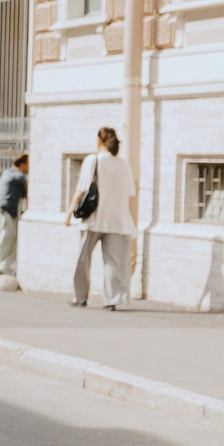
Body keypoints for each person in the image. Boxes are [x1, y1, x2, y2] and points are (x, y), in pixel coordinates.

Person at [70, 126, 137, 310]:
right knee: (114, 263)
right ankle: (112, 299)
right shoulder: (123, 164)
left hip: (94, 218)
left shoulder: (93, 160)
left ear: (99, 140)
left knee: (83, 259)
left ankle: (81, 297)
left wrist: (69, 213)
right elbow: (130, 192)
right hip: (118, 219)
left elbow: (82, 189)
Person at [0, 154, 28, 290]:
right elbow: (32, 180)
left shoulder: (8, 173)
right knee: (2, 244)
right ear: (22, 164)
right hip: (2, 214)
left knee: (6, 243)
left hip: (0, 214)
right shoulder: (13, 174)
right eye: (29, 164)